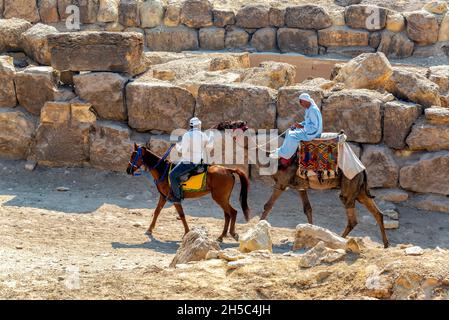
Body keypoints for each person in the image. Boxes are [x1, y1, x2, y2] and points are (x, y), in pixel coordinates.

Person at [169, 117, 214, 203]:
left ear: (191, 125)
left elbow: (183, 151)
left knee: (172, 175)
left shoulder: (187, 135)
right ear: (199, 125)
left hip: (189, 162)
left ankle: (177, 197)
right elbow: (209, 147)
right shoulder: (203, 135)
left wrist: (176, 146)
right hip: (200, 161)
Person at [270, 93, 323, 160]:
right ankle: (281, 151)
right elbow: (308, 122)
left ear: (305, 100)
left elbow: (314, 126)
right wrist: (298, 125)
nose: (300, 103)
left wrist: (301, 127)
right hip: (309, 130)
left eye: (300, 101)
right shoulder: (309, 109)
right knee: (290, 131)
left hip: (313, 133)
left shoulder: (313, 110)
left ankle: (285, 155)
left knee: (293, 136)